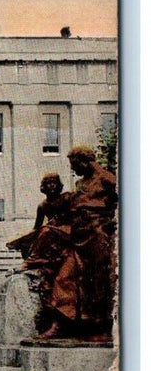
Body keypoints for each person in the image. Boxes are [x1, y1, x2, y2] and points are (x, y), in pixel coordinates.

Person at [40, 146, 118, 340]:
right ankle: (59, 324)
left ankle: (101, 328)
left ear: (85, 161)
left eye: (75, 165)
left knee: (98, 282)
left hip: (98, 236)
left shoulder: (107, 179)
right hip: (78, 238)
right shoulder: (80, 184)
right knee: (63, 277)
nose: (73, 170)